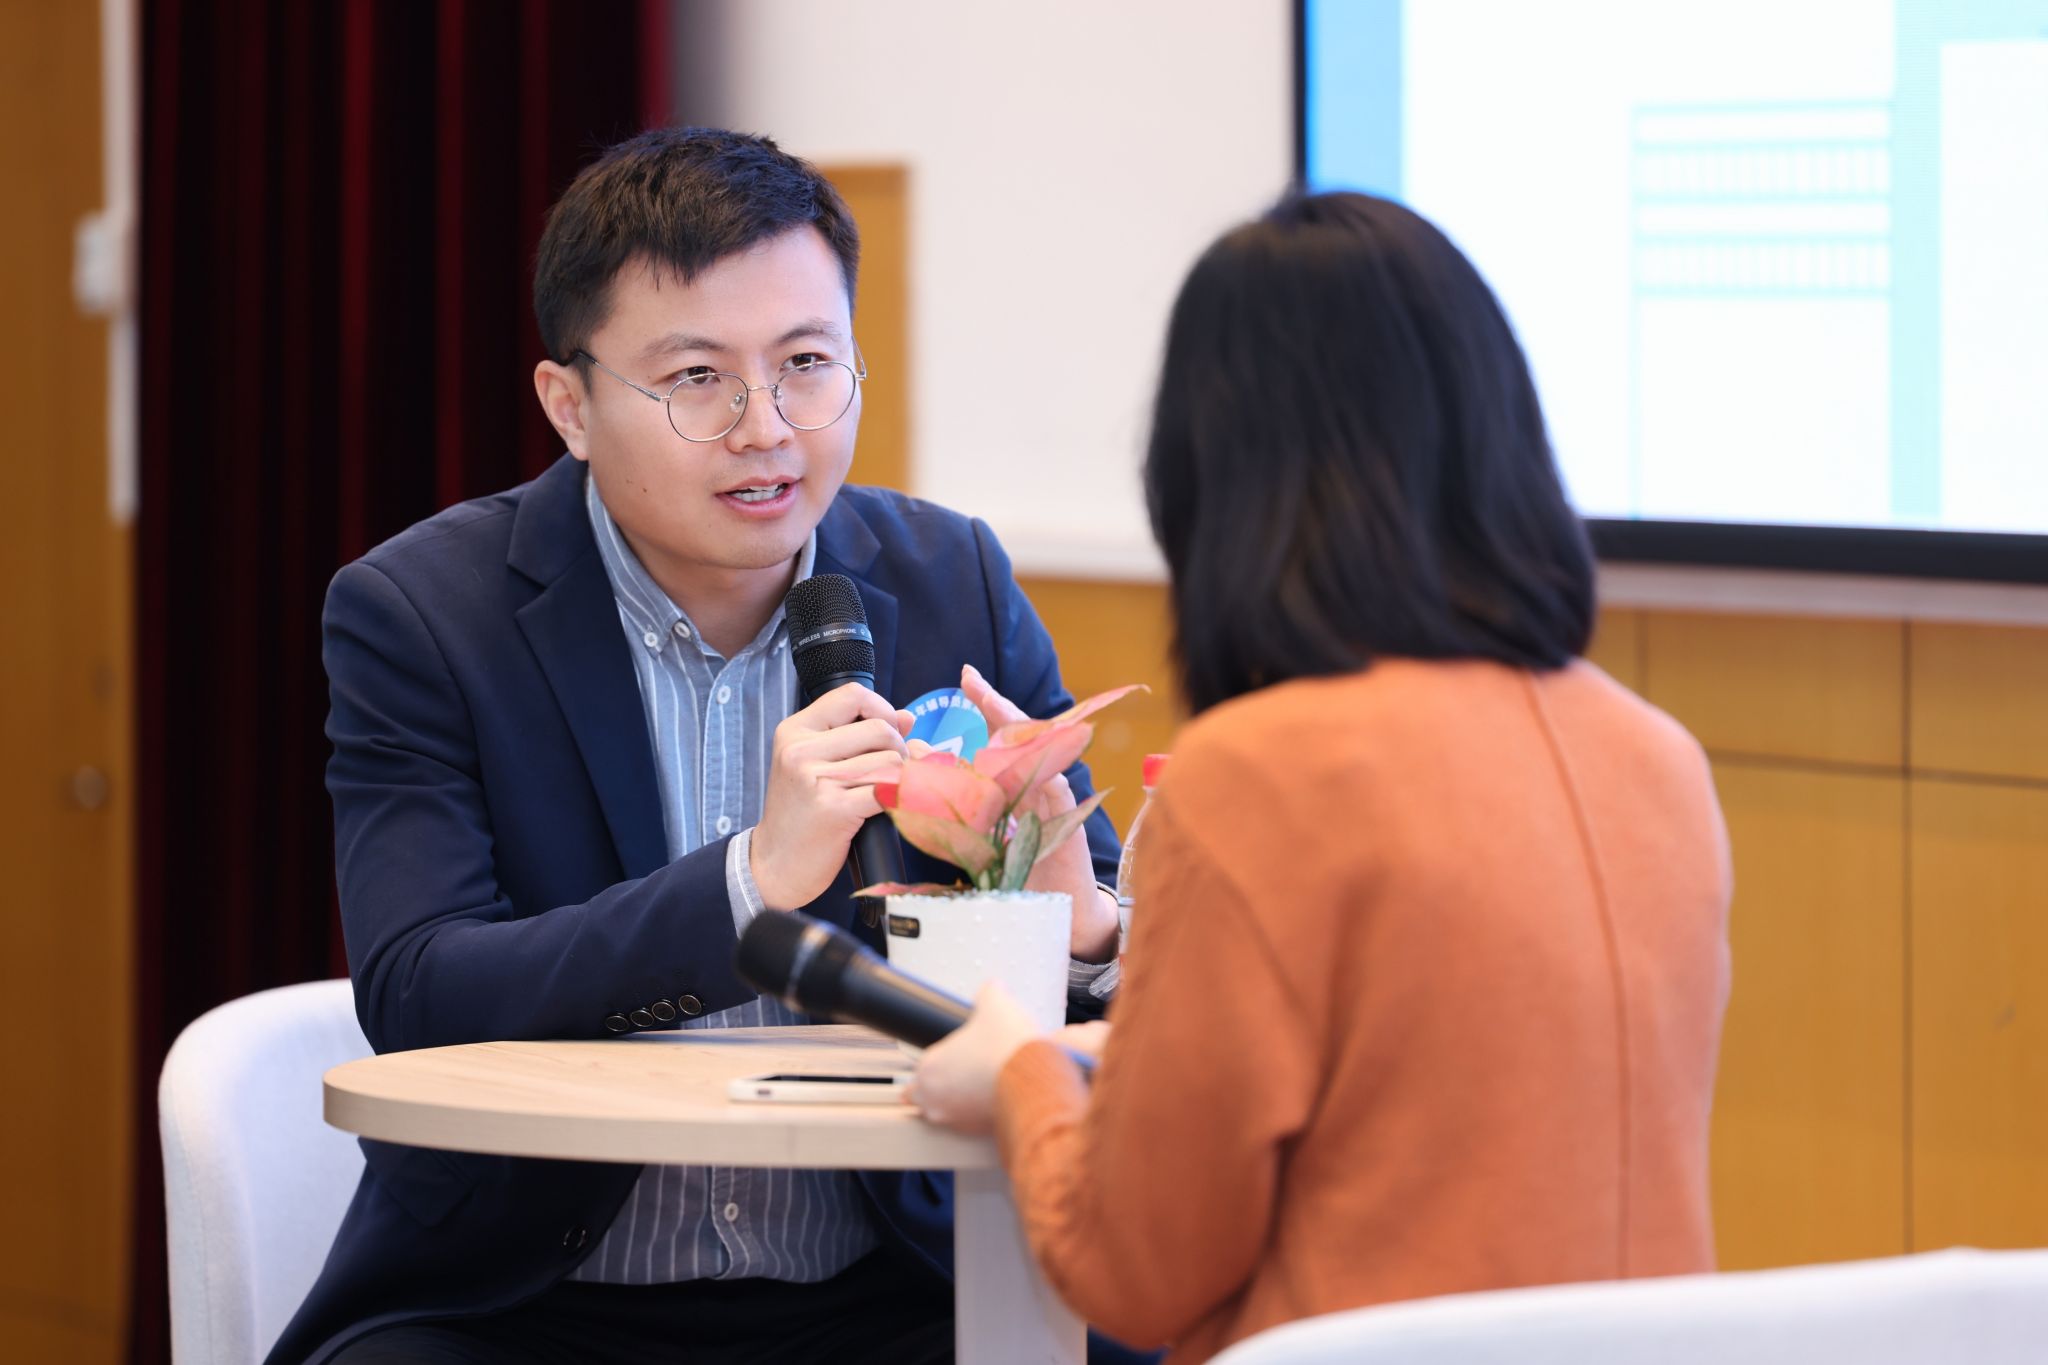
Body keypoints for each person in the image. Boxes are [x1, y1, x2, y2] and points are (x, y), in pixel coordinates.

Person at [272, 127, 1135, 1364]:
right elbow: (422, 989)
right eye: (695, 379)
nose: (764, 427)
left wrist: (1086, 926)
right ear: (569, 405)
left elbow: (1100, 952)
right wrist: (749, 885)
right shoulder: (423, 615)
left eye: (805, 365)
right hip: (533, 1303)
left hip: (893, 1285)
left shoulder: (954, 581)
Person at [908, 190, 1734, 1362]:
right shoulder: (1655, 756)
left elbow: (1130, 1270)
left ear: (1213, 477)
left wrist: (1020, 1075)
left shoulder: (1259, 773)